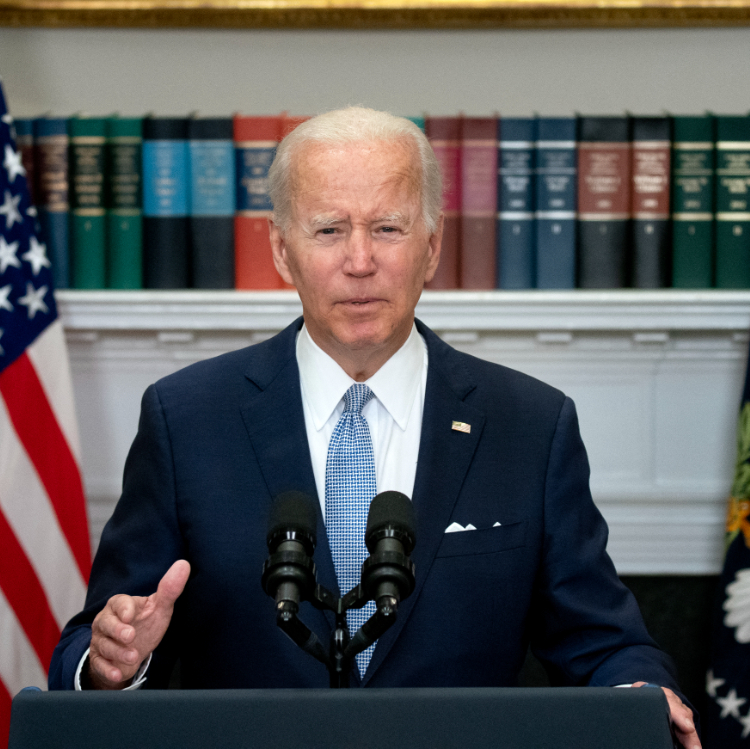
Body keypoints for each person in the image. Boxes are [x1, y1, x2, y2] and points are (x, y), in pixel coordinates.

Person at [49, 107, 700, 748]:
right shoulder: (185, 418)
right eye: (330, 230)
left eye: (387, 228)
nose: (360, 261)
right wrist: (111, 661)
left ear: (432, 246)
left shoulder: (530, 424)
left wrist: (638, 696)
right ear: (282, 250)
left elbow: (603, 643)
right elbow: (93, 642)